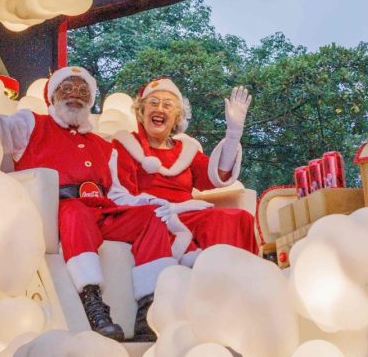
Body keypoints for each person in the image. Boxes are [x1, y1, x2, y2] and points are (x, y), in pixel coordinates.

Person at [0, 66, 177, 342]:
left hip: (101, 210)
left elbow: (117, 194)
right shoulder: (31, 123)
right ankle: (93, 303)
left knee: (151, 217)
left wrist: (148, 201)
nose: (75, 94)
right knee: (74, 210)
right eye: (67, 88)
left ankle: (149, 312)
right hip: (59, 212)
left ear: (91, 99)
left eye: (83, 90)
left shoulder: (104, 146)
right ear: (53, 95)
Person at [109, 78, 258, 261]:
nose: (159, 109)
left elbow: (217, 175)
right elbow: (123, 197)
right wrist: (174, 207)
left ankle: (236, 275)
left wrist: (233, 135)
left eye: (167, 105)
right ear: (142, 111)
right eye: (153, 103)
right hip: (155, 216)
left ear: (177, 117)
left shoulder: (186, 150)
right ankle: (215, 273)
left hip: (190, 215)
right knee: (215, 220)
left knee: (241, 217)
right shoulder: (126, 144)